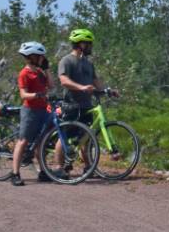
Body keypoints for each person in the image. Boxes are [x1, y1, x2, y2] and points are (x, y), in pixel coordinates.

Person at [54, 28, 118, 172]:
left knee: (86, 138)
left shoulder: (88, 63)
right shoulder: (67, 60)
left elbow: (96, 81)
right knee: (64, 136)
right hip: (71, 105)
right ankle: (58, 168)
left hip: (86, 105)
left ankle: (89, 167)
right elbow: (63, 80)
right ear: (81, 44)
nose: (91, 47)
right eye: (89, 43)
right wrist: (81, 87)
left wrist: (108, 91)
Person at [10, 41, 49, 186]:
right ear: (32, 57)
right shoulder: (24, 73)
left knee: (41, 142)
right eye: (40, 57)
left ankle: (43, 172)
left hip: (43, 109)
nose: (42, 59)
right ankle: (15, 173)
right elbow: (23, 95)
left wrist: (47, 70)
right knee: (23, 141)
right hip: (30, 111)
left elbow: (50, 85)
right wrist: (37, 95)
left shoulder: (39, 72)